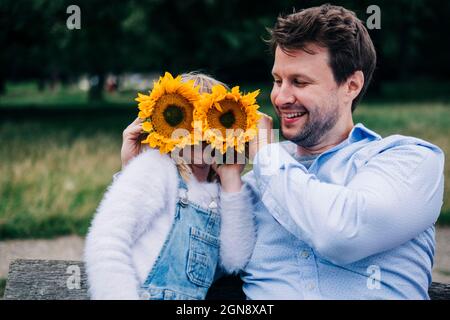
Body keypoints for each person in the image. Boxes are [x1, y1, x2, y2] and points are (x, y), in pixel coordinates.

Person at [121, 5, 445, 300]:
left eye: (299, 82)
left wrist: (265, 154)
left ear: (351, 85)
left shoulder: (409, 160)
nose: (280, 97)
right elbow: (170, 266)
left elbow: (343, 234)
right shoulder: (248, 190)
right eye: (277, 80)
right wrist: (137, 173)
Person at [84, 72, 256, 300]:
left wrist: (232, 179)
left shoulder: (218, 192)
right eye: (187, 117)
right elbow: (107, 243)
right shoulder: (157, 168)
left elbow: (235, 260)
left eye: (215, 118)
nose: (201, 130)